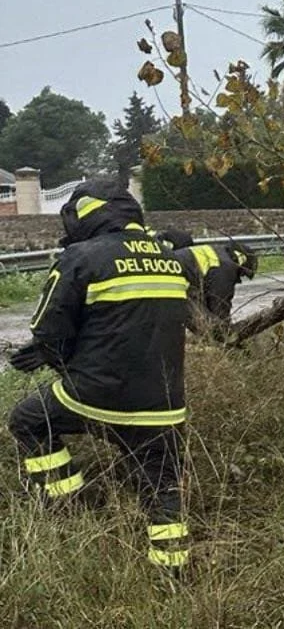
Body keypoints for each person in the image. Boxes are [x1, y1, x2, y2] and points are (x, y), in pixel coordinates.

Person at [6, 178, 196, 578]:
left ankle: (71, 502)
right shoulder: (170, 258)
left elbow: (49, 331)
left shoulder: (82, 256)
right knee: (162, 486)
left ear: (85, 213)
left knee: (27, 421)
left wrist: (51, 360)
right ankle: (172, 574)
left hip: (92, 394)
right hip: (164, 404)